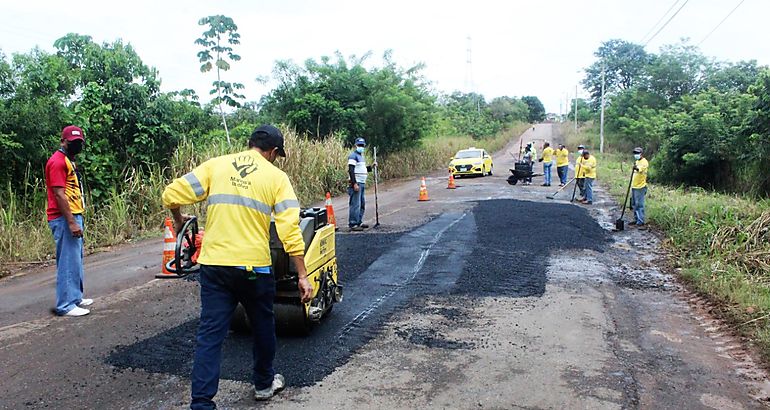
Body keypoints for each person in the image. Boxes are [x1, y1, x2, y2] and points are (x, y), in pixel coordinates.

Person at [162, 124, 314, 408]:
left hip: (214, 265)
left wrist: (179, 217)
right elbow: (290, 230)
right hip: (253, 268)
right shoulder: (277, 177)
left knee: (210, 333)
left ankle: (202, 403)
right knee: (262, 325)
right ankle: (264, 384)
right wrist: (302, 275)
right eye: (275, 155)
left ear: (250, 144)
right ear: (273, 151)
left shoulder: (216, 166)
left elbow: (171, 193)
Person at [45, 125, 92, 317]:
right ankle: (66, 304)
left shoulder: (67, 160)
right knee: (67, 261)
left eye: (79, 143)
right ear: (63, 141)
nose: (76, 146)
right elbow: (59, 194)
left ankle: (75, 297)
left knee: (75, 259)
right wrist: (71, 221)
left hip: (73, 215)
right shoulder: (57, 162)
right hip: (64, 217)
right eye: (73, 143)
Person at [347, 137, 375, 231]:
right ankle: (353, 223)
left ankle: (359, 221)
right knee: (355, 204)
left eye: (362, 145)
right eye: (359, 145)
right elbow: (351, 170)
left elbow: (363, 170)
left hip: (362, 183)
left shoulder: (361, 157)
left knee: (362, 203)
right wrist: (354, 183)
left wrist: (372, 167)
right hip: (357, 182)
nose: (361, 147)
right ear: (356, 145)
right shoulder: (353, 156)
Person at [630, 147, 649, 226]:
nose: (636, 155)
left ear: (641, 153)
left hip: (640, 186)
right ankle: (636, 219)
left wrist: (636, 168)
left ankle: (640, 221)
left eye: (637, 153)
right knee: (634, 204)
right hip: (634, 185)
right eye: (635, 153)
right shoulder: (637, 161)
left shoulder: (644, 162)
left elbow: (640, 169)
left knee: (639, 204)